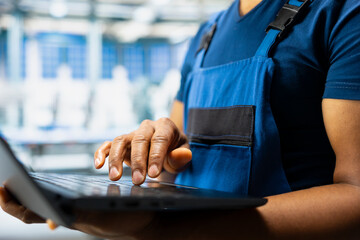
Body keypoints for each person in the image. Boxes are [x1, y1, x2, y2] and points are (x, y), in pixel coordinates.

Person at [1, 0, 360, 239]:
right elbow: (171, 171)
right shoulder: (208, 33)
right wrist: (157, 147)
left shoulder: (342, 14)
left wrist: (164, 228)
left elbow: (355, 195)